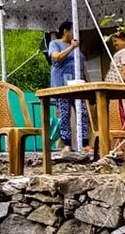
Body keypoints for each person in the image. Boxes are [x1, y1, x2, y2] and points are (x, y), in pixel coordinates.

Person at [48, 21, 90, 154]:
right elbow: (57, 58)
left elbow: (83, 68)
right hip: (62, 86)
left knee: (83, 113)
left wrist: (89, 85)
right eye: (73, 31)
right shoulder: (55, 44)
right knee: (65, 114)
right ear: (66, 31)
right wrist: (71, 47)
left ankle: (85, 143)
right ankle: (67, 144)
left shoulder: (77, 47)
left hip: (78, 85)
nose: (75, 34)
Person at [105, 31, 125, 130]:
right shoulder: (121, 53)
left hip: (120, 91)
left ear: (123, 40)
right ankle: (121, 141)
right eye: (113, 42)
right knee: (117, 117)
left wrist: (118, 87)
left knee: (123, 115)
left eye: (116, 41)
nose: (114, 44)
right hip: (115, 91)